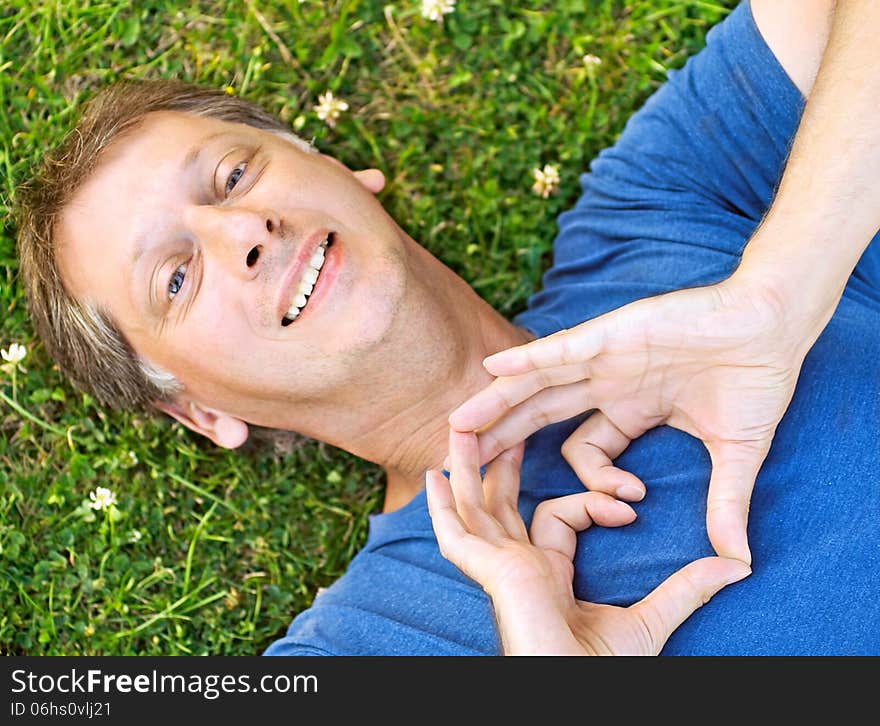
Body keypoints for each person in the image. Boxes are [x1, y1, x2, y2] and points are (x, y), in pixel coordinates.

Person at [14, 0, 879, 655]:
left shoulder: (655, 203)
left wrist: (774, 297)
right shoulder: (365, 646)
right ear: (201, 414)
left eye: (234, 175)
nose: (243, 234)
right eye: (176, 276)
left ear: (337, 167)